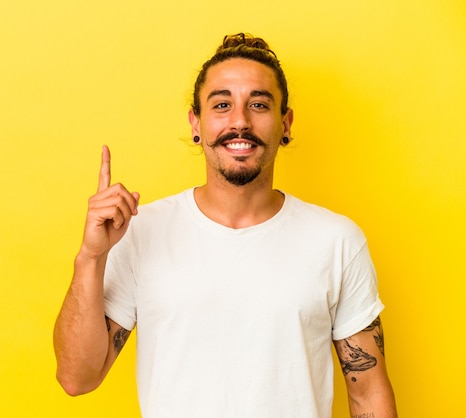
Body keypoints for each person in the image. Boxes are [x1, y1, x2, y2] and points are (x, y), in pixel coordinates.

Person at [54, 33, 397, 417]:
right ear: (196, 123)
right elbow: (77, 378)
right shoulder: (140, 232)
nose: (240, 121)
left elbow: (368, 393)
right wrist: (90, 257)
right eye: (222, 104)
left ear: (285, 124)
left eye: (258, 104)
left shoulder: (336, 241)